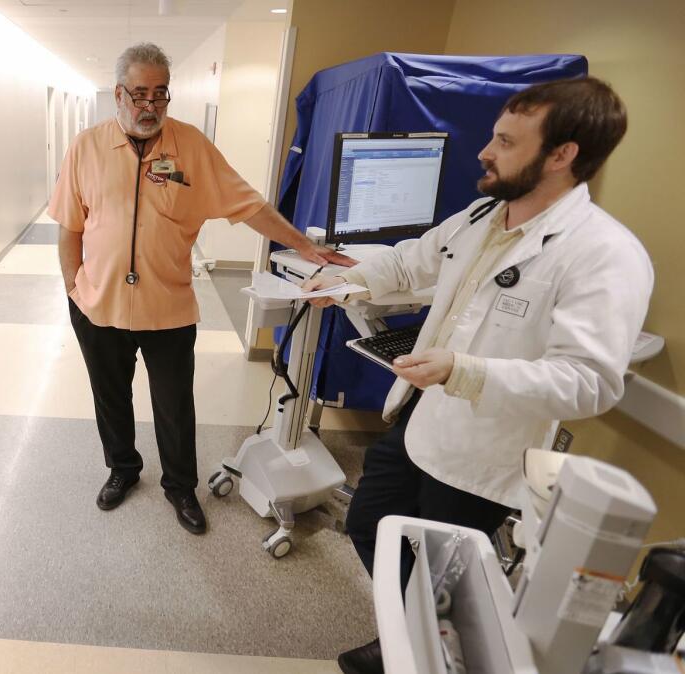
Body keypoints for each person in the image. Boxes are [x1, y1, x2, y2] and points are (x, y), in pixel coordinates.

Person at [302, 77, 653, 673]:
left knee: (445, 577)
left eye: (506, 141)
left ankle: (425, 650)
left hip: (482, 449)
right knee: (371, 526)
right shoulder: (483, 215)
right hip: (420, 417)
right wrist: (346, 282)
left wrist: (463, 370)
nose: (486, 151)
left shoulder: (604, 254)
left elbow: (589, 380)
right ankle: (410, 636)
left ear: (562, 155)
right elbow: (413, 258)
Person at [49, 43, 354, 535]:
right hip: (98, 305)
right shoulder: (86, 147)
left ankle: (180, 486)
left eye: (160, 94)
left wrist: (305, 246)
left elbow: (249, 206)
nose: (150, 106)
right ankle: (122, 469)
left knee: (174, 404)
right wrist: (71, 288)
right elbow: (70, 226)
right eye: (140, 94)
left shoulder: (190, 146)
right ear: (118, 94)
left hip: (167, 308)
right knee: (110, 397)